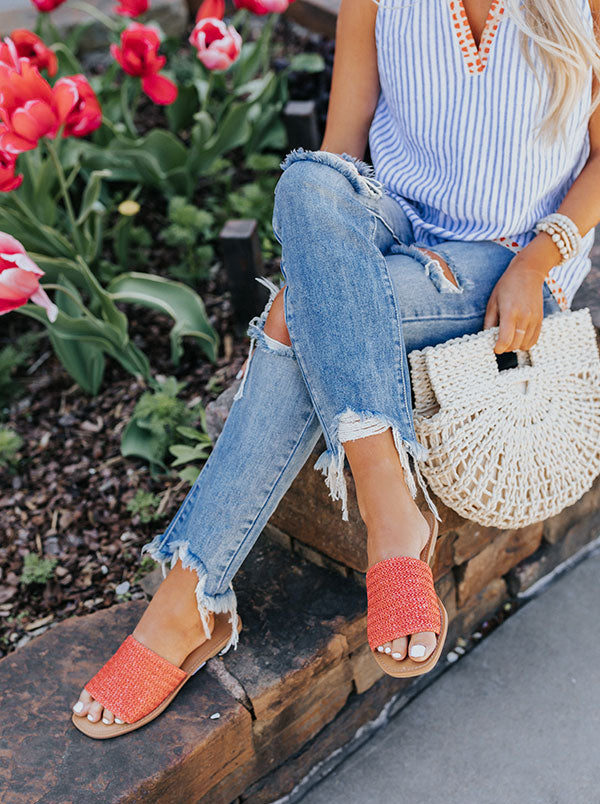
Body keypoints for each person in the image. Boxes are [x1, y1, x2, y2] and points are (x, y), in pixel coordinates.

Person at [71, 0, 600, 735]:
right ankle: (391, 511)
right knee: (306, 182)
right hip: (397, 227)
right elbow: (342, 160)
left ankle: (188, 597)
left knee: (294, 318)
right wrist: (334, 255)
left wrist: (540, 259)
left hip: (509, 257)